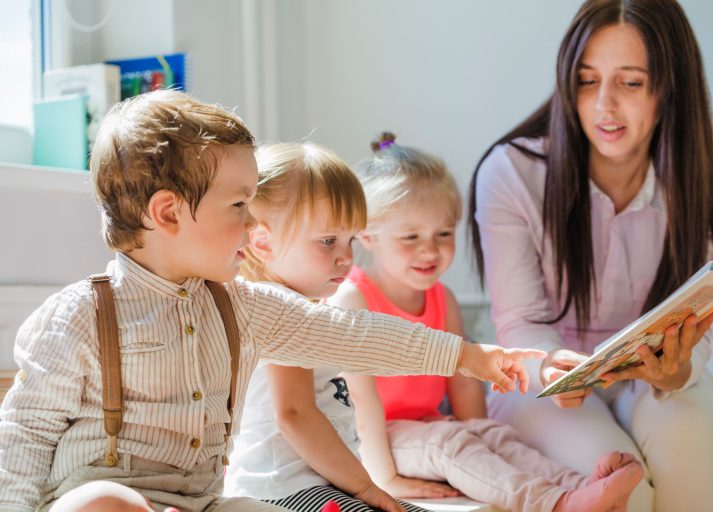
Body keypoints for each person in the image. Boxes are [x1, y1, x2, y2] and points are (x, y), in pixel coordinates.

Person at [0, 90, 545, 512]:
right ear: (168, 213)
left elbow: (351, 336)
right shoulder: (79, 316)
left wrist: (471, 357)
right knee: (107, 504)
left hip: (206, 501)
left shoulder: (241, 306)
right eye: (239, 204)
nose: (252, 223)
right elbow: (23, 436)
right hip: (101, 496)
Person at [467, 1, 713, 511]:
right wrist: (554, 368)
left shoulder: (703, 182)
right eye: (587, 81)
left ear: (669, 88)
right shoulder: (511, 175)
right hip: (543, 385)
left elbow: (697, 334)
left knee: (692, 431)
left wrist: (674, 371)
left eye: (631, 83)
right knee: (622, 483)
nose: (603, 106)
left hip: (651, 381)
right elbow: (521, 322)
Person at [329, 133, 643, 512]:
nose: (430, 249)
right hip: (377, 441)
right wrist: (384, 478)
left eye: (443, 234)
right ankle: (558, 503)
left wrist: (482, 433)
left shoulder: (442, 300)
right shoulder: (354, 298)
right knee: (449, 445)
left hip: (429, 426)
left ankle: (584, 485)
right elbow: (362, 402)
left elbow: (463, 384)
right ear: (367, 236)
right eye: (410, 237)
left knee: (499, 436)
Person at [223, 141, 426, 512]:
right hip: (281, 489)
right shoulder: (280, 312)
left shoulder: (307, 308)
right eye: (328, 240)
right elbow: (295, 415)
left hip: (319, 482)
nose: (346, 257)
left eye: (350, 240)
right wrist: (365, 487)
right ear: (263, 242)